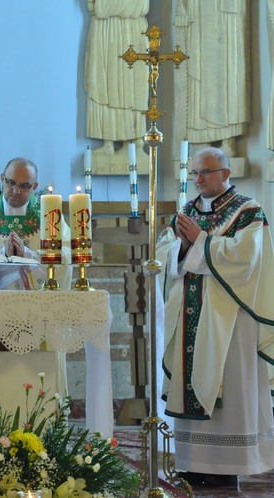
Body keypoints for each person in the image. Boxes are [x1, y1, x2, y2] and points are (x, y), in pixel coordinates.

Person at [157, 147, 274, 487]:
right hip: (190, 316)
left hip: (230, 320)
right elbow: (166, 251)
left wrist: (200, 241)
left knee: (229, 386)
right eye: (195, 173)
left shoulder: (247, 211)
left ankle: (227, 466)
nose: (199, 180)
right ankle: (192, 463)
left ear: (226, 173)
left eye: (206, 172)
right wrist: (180, 247)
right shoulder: (187, 211)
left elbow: (247, 259)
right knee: (190, 380)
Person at [0, 157, 72, 290]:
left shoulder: (50, 216)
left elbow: (67, 253)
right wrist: (2, 255)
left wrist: (27, 255)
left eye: (24, 186)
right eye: (11, 183)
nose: (16, 190)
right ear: (2, 179)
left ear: (34, 186)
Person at [175, 0, 248, 156]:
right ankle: (200, 137)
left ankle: (228, 139)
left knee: (226, 71)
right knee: (198, 69)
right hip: (198, 11)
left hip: (225, 13)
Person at [84, 0, 149, 155]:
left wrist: (101, 6)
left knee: (129, 88)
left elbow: (140, 6)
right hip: (105, 30)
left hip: (130, 30)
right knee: (103, 83)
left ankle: (133, 141)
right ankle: (108, 142)